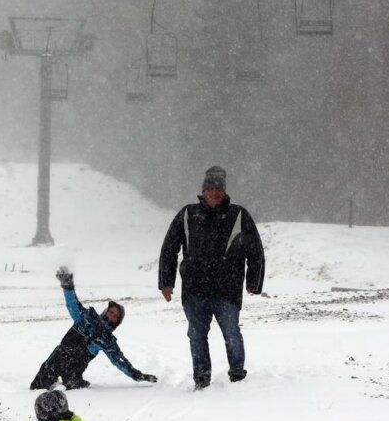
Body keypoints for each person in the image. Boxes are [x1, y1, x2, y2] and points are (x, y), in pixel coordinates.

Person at [158, 165, 266, 389]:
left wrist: (254, 281)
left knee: (231, 333)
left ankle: (237, 376)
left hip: (227, 290)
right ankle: (201, 378)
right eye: (210, 188)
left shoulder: (238, 214)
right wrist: (166, 282)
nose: (214, 192)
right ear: (203, 191)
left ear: (224, 191)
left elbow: (255, 250)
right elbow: (169, 248)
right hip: (194, 290)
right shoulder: (188, 214)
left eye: (218, 188)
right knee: (196, 336)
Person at [29, 267, 158, 390]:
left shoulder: (108, 340)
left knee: (71, 388)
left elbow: (119, 361)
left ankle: (77, 383)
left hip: (74, 369)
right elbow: (72, 304)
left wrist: (137, 375)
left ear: (117, 321)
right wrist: (68, 286)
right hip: (58, 357)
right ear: (106, 311)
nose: (111, 316)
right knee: (37, 386)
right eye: (111, 312)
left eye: (115, 316)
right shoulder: (86, 318)